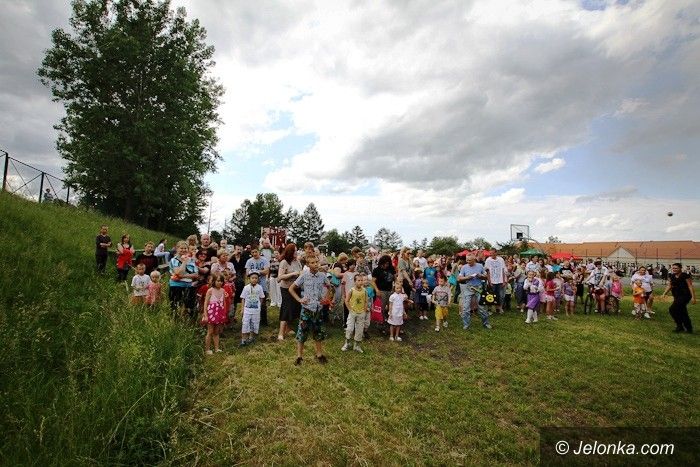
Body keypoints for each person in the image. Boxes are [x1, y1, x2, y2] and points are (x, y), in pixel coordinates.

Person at [289, 255, 332, 365]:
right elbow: (291, 288)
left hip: (318, 309)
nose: (316, 264)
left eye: (317, 262)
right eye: (312, 262)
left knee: (318, 332)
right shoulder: (304, 276)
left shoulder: (322, 276)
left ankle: (319, 354)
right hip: (306, 309)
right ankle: (299, 356)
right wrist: (299, 299)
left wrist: (326, 298)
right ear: (307, 265)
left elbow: (329, 286)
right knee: (302, 332)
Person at [458, 255, 492, 330]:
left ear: (474, 259)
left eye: (469, 260)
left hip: (478, 288)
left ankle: (486, 323)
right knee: (466, 308)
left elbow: (486, 276)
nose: (468, 262)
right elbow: (459, 278)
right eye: (467, 260)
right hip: (468, 288)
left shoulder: (480, 266)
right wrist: (467, 277)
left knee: (482, 308)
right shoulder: (464, 267)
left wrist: (480, 276)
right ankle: (466, 324)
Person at [661, 263, 695, 333]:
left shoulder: (685, 275)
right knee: (682, 311)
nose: (674, 269)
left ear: (680, 268)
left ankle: (680, 326)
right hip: (676, 296)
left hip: (685, 295)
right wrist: (664, 293)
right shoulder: (672, 276)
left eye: (676, 268)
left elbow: (690, 286)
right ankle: (688, 328)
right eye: (673, 268)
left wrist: (693, 297)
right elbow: (670, 286)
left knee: (672, 309)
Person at [278, 243, 302, 341]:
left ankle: (288, 328)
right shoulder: (284, 262)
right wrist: (293, 273)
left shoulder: (297, 262)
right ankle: (280, 333)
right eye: (295, 251)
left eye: (297, 250)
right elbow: (280, 277)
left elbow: (301, 273)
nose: (296, 252)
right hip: (286, 289)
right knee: (286, 308)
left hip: (296, 288)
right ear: (290, 252)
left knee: (294, 308)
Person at [169, 240, 198, 315]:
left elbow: (196, 274)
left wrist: (183, 276)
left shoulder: (191, 260)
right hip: (176, 285)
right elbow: (178, 272)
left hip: (189, 285)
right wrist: (184, 261)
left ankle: (187, 321)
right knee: (176, 307)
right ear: (177, 249)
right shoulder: (174, 260)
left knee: (189, 308)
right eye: (181, 248)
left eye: (185, 248)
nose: (183, 250)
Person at [202, 273, 229, 354]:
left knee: (217, 332)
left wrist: (224, 313)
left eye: (221, 281)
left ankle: (217, 348)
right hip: (211, 313)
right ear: (213, 281)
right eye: (218, 281)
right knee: (210, 331)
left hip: (220, 313)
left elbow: (224, 303)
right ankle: (207, 349)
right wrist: (205, 315)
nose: (220, 282)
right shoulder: (210, 290)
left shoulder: (223, 290)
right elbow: (205, 303)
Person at [342, 273, 368, 353]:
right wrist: (350, 310)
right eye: (358, 280)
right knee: (349, 328)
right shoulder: (352, 290)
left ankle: (357, 345)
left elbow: (366, 301)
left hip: (361, 313)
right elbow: (346, 301)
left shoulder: (364, 291)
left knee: (359, 330)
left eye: (361, 280)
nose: (360, 282)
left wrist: (364, 310)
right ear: (355, 281)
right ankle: (347, 343)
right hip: (353, 313)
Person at [245, 248, 270, 326]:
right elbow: (247, 273)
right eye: (253, 252)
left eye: (256, 252)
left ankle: (264, 321)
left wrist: (255, 271)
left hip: (262, 285)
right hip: (252, 286)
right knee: (252, 302)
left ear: (259, 252)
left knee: (263, 304)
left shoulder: (264, 260)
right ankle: (253, 320)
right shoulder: (249, 261)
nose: (254, 254)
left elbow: (266, 271)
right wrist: (259, 272)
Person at [240, 272, 265, 346]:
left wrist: (259, 306)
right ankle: (243, 339)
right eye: (252, 278)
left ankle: (251, 337)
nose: (254, 279)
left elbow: (261, 297)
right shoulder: (246, 288)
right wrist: (242, 309)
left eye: (256, 278)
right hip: (247, 310)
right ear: (249, 279)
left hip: (256, 310)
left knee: (254, 323)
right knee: (245, 323)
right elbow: (243, 298)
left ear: (258, 279)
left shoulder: (259, 287)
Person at [371, 255, 396, 324]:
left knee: (391, 306)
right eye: (385, 263)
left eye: (388, 263)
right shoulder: (376, 270)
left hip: (390, 290)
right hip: (381, 290)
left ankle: (391, 319)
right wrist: (377, 290)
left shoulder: (391, 268)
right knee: (381, 306)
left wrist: (395, 287)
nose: (386, 265)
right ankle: (380, 320)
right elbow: (373, 281)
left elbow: (395, 279)